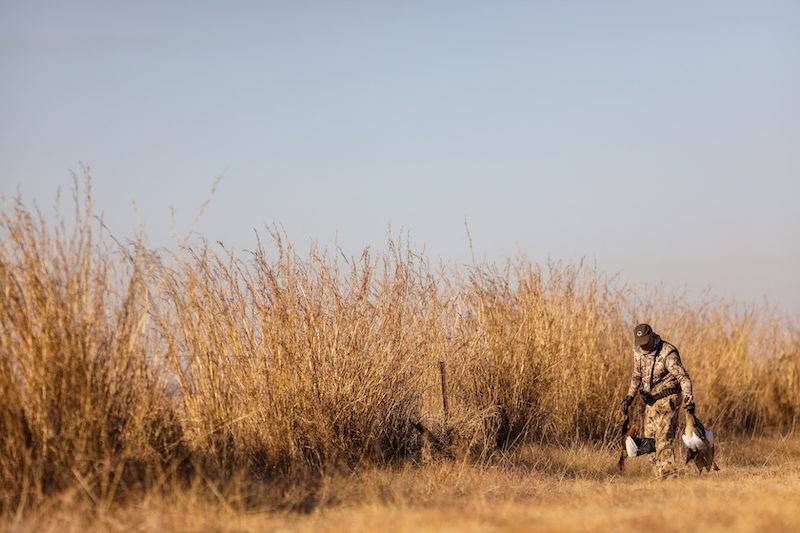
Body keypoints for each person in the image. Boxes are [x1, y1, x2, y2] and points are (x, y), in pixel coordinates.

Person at [620, 323, 694, 478]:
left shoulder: (668, 353)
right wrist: (629, 398)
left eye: (646, 342)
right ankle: (659, 476)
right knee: (649, 444)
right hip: (651, 403)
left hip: (668, 400)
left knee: (663, 440)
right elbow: (636, 376)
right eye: (640, 344)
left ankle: (669, 478)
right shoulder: (638, 353)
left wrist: (688, 399)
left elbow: (683, 377)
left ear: (653, 336)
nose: (644, 347)